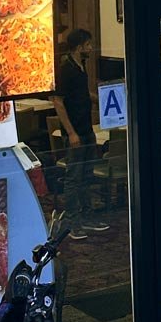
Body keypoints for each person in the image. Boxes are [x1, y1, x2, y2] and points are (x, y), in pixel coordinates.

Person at [51, 28, 107, 240]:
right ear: (78, 47)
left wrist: (99, 99)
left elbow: (81, 94)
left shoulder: (80, 67)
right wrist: (71, 132)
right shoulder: (66, 70)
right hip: (76, 131)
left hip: (86, 128)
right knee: (74, 178)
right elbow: (58, 101)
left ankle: (87, 216)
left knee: (86, 175)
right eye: (88, 45)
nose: (91, 48)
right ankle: (72, 223)